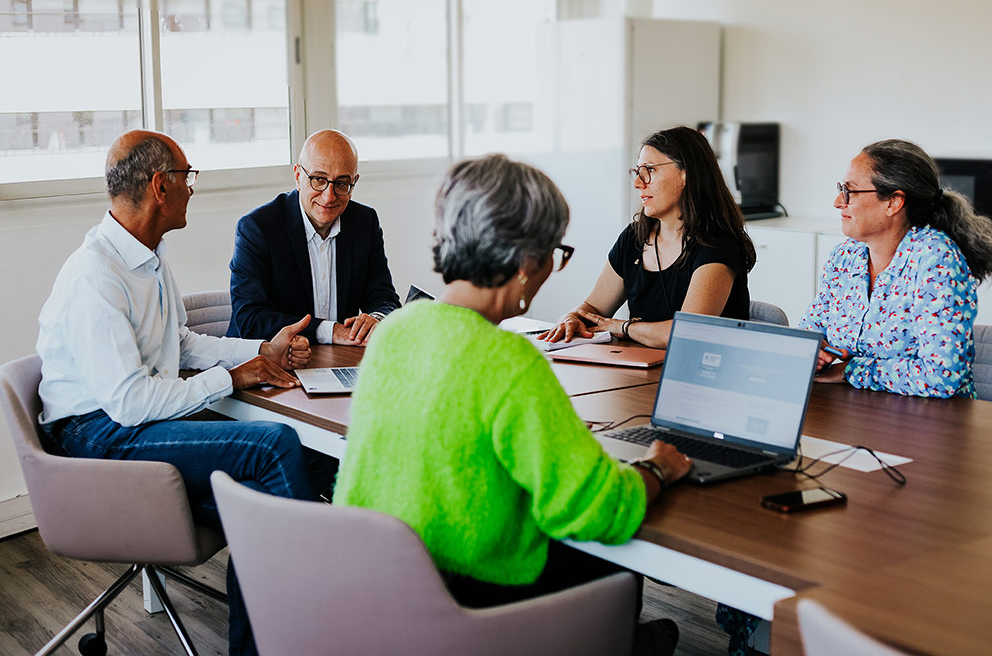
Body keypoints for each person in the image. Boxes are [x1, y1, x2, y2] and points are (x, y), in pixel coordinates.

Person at [333, 154, 693, 655]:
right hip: (467, 605)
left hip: (378, 593)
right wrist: (656, 468)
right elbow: (594, 509)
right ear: (526, 263)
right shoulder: (508, 359)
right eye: (555, 253)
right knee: (613, 558)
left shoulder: (394, 331)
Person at [36, 131, 317, 656]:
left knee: (259, 509)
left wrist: (261, 351)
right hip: (97, 434)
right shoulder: (95, 276)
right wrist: (237, 377)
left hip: (125, 423)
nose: (193, 188)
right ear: (160, 186)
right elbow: (131, 403)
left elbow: (180, 343)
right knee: (272, 443)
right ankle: (324, 611)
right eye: (188, 177)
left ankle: (271, 642)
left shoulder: (149, 252)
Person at [800, 139, 992, 398]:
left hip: (932, 425)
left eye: (850, 191)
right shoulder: (845, 255)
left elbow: (941, 376)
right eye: (840, 189)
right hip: (854, 411)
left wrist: (849, 371)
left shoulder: (936, 259)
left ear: (893, 202)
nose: (837, 201)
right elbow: (809, 331)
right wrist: (813, 352)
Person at [541, 126, 755, 348]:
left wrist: (624, 327)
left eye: (650, 170)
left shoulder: (718, 245)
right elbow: (592, 311)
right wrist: (571, 318)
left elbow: (686, 333)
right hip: (640, 371)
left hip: (702, 376)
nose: (638, 183)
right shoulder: (634, 238)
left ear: (686, 174)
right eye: (638, 171)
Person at [227, 129, 401, 346]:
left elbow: (384, 297)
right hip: (267, 364)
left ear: (353, 182)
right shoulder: (257, 228)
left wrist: (377, 319)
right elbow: (250, 320)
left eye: (341, 183)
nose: (329, 196)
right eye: (318, 179)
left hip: (338, 362)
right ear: (298, 176)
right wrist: (331, 331)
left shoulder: (364, 222)